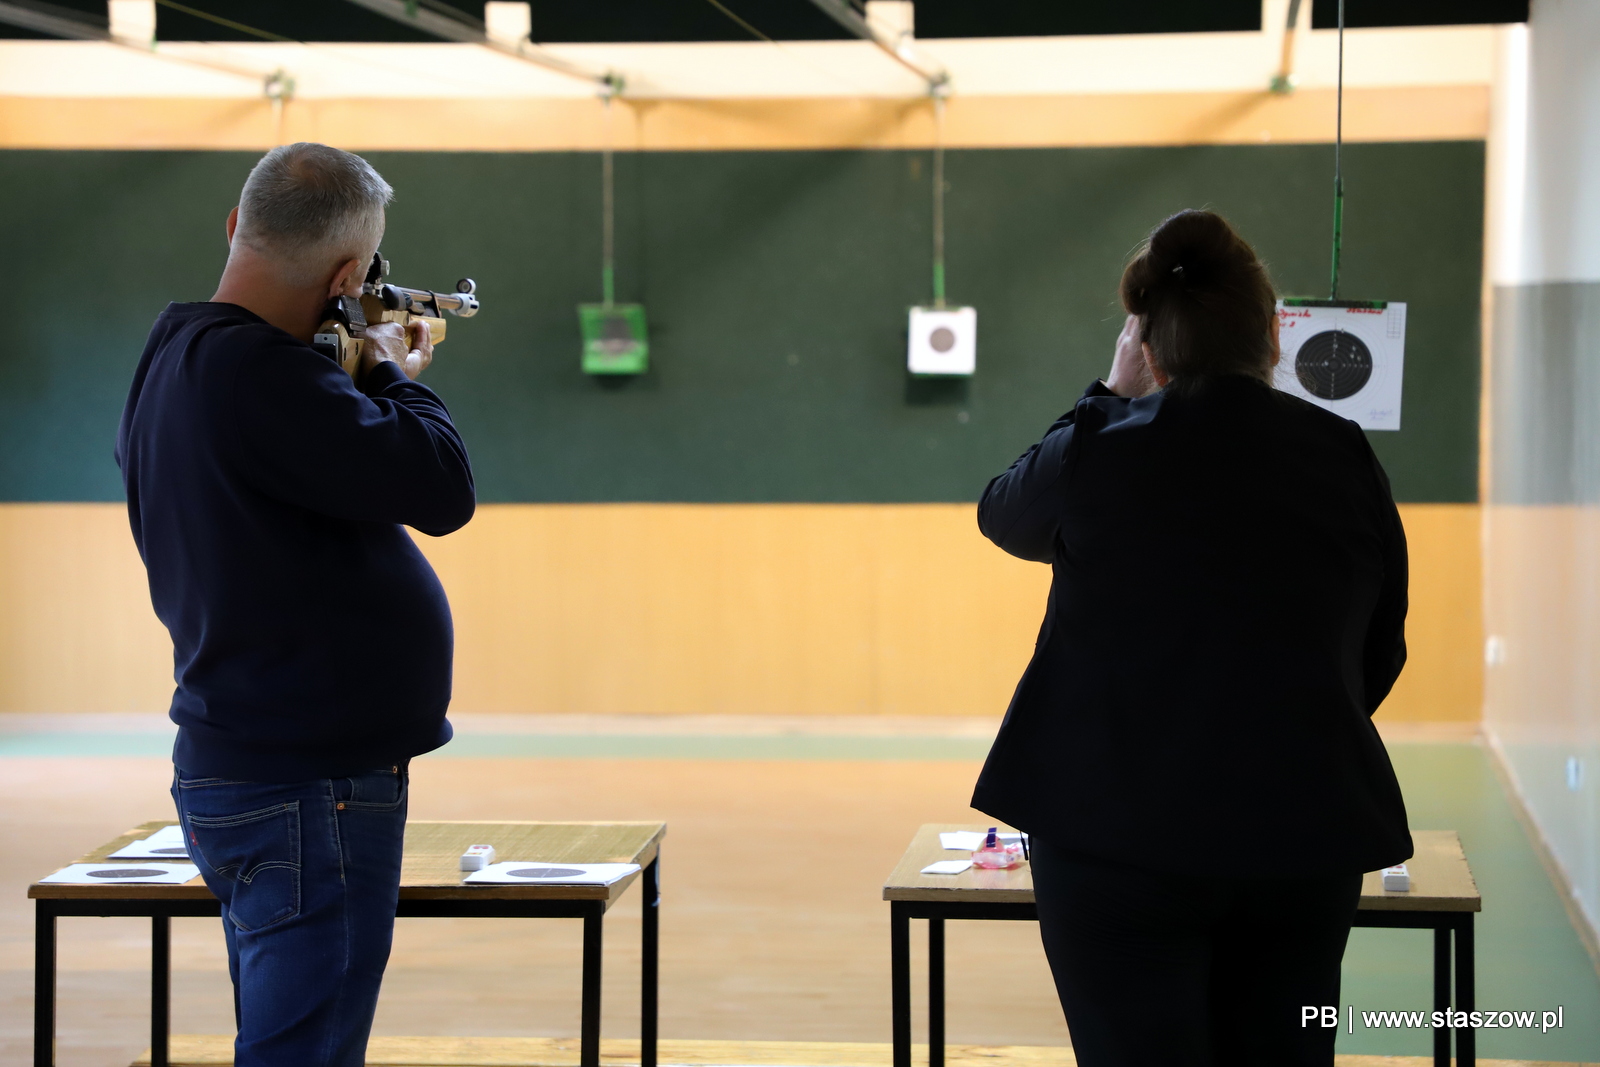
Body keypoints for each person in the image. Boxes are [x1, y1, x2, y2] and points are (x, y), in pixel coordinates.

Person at [972, 209, 1412, 1067]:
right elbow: (1379, 648)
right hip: (1303, 829)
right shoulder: (1344, 452)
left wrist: (1106, 394)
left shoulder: (1099, 446)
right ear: (1272, 337)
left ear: (1151, 345)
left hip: (1110, 833)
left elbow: (1005, 515)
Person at [115, 142, 475, 1067]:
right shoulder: (267, 378)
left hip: (248, 762)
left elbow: (277, 483)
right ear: (350, 275)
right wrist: (392, 368)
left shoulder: (179, 353)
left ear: (237, 226)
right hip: (307, 786)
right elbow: (442, 488)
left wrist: (348, 371)